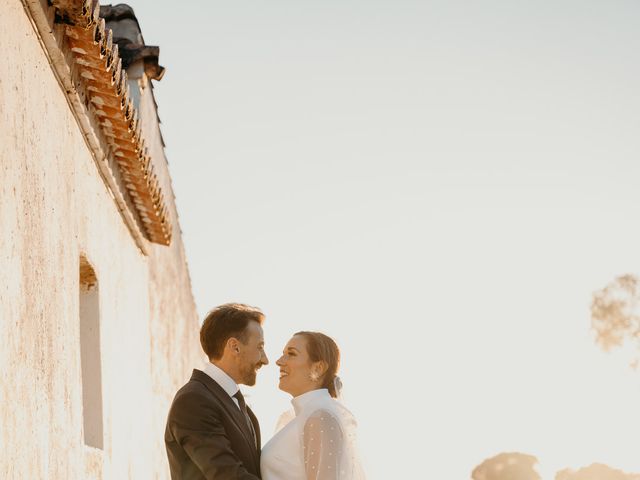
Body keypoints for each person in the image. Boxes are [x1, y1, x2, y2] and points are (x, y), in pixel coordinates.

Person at [165, 303, 269, 479]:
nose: (265, 359)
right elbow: (226, 474)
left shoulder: (238, 405)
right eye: (260, 347)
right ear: (234, 346)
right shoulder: (193, 401)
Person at [261, 331, 366, 480]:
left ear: (318, 368)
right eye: (283, 354)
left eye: (291, 354)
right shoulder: (298, 417)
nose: (279, 361)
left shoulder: (319, 417)